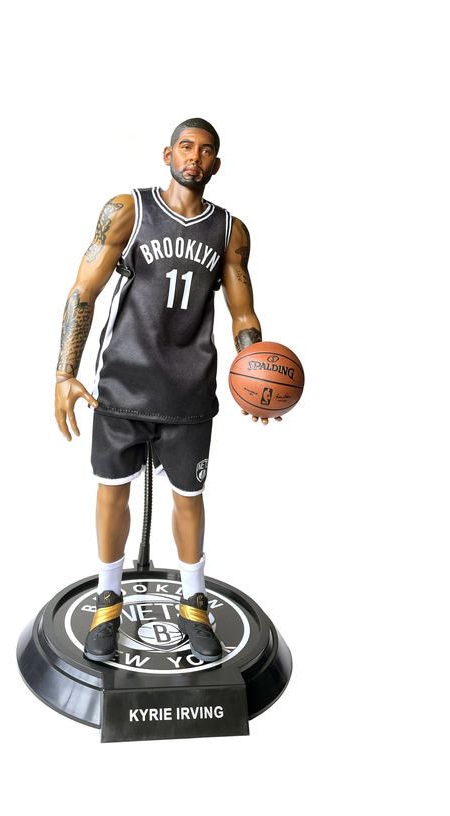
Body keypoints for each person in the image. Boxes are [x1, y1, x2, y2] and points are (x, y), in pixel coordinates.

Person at [54, 118, 278, 664]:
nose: (194, 157)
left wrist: (257, 374)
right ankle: (108, 597)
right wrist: (64, 373)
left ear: (216, 164)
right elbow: (84, 290)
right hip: (123, 383)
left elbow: (242, 313)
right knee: (112, 491)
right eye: (186, 146)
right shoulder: (128, 210)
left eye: (206, 151)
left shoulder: (229, 231)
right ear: (167, 154)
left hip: (189, 390)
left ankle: (193, 600)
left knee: (189, 498)